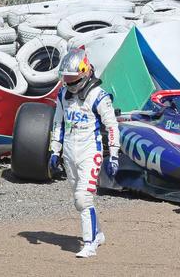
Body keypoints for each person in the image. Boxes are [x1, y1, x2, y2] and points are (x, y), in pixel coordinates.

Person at [49, 48, 121, 258]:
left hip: (90, 151)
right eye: (66, 78)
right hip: (69, 153)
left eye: (72, 78)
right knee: (77, 199)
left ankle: (89, 244)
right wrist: (55, 150)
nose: (68, 82)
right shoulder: (63, 95)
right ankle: (97, 234)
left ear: (84, 72)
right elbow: (58, 123)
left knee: (83, 198)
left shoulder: (98, 96)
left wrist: (114, 155)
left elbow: (112, 126)